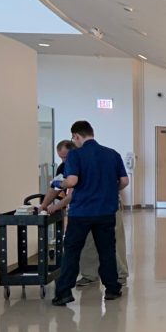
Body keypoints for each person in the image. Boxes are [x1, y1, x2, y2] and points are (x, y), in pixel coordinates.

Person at [51, 121, 129, 306]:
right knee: (107, 250)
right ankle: (112, 289)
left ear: (76, 136)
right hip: (106, 211)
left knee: (71, 251)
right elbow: (124, 181)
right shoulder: (112, 154)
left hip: (81, 213)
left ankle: (64, 293)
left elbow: (71, 181)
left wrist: (58, 184)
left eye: (74, 138)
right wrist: (109, 191)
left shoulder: (75, 155)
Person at [39, 139, 75, 214]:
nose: (63, 160)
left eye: (65, 157)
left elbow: (72, 194)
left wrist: (55, 207)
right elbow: (55, 188)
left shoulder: (80, 165)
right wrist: (44, 205)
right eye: (61, 157)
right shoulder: (62, 167)